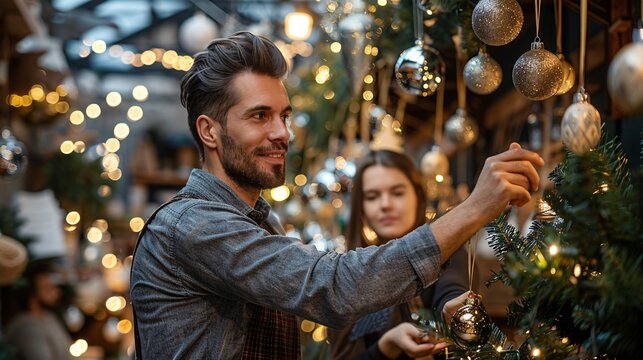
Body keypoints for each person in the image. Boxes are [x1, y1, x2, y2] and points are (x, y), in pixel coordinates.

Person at [129, 31, 544, 359]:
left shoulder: (260, 221)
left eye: (284, 116)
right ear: (209, 131)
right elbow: (331, 286)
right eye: (259, 116)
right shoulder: (192, 226)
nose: (281, 133)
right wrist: (474, 208)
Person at [328, 150, 472, 359]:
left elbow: (451, 286)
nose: (385, 204)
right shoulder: (351, 272)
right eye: (372, 196)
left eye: (397, 193)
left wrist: (453, 306)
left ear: (417, 195)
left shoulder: (449, 251)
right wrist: (386, 346)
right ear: (362, 206)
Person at [5, 263, 72, 360]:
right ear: (31, 296)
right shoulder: (26, 326)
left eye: (55, 287)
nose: (57, 292)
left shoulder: (49, 316)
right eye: (48, 288)